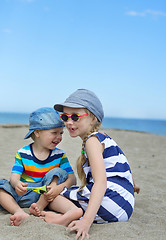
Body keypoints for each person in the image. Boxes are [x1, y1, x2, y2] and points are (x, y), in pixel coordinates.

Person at [36, 89, 140, 240]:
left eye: (75, 117)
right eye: (65, 117)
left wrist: (86, 222)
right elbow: (120, 166)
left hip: (110, 204)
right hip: (126, 206)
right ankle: (72, 212)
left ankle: (72, 214)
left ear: (92, 118)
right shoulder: (104, 138)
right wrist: (132, 185)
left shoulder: (92, 141)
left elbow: (101, 182)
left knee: (53, 196)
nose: (69, 122)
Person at [0, 107, 77, 226]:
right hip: (26, 192)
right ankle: (18, 212)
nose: (59, 137)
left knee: (57, 171)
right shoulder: (23, 153)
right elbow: (14, 176)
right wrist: (16, 184)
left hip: (47, 195)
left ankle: (65, 210)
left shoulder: (59, 155)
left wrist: (57, 188)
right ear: (37, 132)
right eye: (54, 133)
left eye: (61, 133)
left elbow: (72, 179)